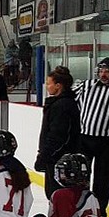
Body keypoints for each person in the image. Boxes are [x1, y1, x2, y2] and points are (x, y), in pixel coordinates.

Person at [75, 57, 109, 212]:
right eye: (101, 70)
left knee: (103, 180)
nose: (103, 74)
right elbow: (70, 100)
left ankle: (98, 211)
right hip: (84, 138)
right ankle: (80, 209)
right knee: (79, 176)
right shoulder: (87, 85)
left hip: (108, 142)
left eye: (108, 71)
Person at [35, 66, 79, 197]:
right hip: (56, 158)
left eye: (49, 83)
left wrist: (44, 156)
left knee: (57, 194)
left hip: (59, 159)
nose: (47, 86)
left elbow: (57, 136)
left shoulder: (62, 105)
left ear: (58, 86)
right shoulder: (60, 103)